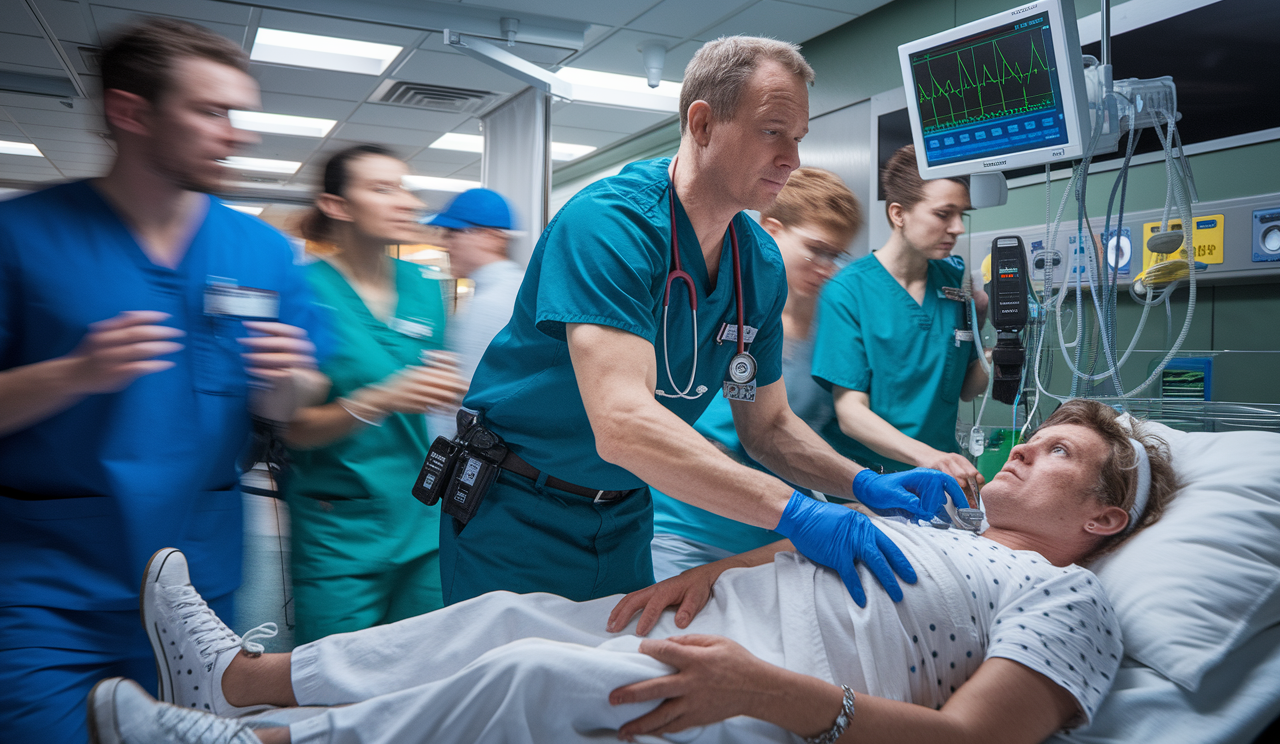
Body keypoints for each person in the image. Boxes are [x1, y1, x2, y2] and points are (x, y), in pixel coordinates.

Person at [86, 398, 1179, 744]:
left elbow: (970, 739)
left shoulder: (1067, 596)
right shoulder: (947, 525)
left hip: (769, 686)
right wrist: (740, 561)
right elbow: (822, 549)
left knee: (530, 670)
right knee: (507, 610)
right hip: (724, 622)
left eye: (1058, 451)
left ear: (1100, 515)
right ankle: (237, 682)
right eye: (1030, 432)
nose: (1021, 444)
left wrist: (760, 689)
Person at [435, 35, 967, 608]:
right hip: (517, 511)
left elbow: (766, 428)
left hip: (623, 516)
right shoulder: (610, 226)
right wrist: (798, 512)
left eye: (798, 138)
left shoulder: (758, 265)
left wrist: (861, 483)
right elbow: (622, 423)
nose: (791, 157)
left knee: (615, 687)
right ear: (704, 123)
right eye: (772, 131)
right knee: (515, 689)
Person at [0, 17, 326, 743]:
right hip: (48, 594)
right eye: (210, 111)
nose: (236, 133)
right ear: (131, 112)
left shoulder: (264, 254)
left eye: (237, 113)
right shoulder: (21, 238)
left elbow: (297, 407)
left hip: (198, 596)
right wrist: (74, 373)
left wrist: (284, 384)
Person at [280, 145, 468, 643]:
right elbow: (295, 430)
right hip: (339, 525)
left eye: (405, 187)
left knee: (418, 677)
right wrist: (381, 398)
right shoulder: (303, 291)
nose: (405, 201)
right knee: (331, 686)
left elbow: (432, 384)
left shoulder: (425, 286)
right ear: (337, 205)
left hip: (419, 518)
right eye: (382, 189)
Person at [651, 167, 863, 580]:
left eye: (836, 256)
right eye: (815, 250)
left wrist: (857, 487)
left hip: (773, 541)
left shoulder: (833, 328)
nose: (826, 267)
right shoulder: (715, 308)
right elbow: (667, 423)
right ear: (771, 228)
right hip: (685, 527)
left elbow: (807, 430)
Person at [812, 144, 990, 498]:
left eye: (962, 216)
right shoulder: (848, 291)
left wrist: (1006, 343)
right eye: (944, 214)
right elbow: (851, 414)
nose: (957, 228)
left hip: (940, 484)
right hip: (868, 486)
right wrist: (933, 459)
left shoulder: (955, 283)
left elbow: (967, 390)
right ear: (899, 213)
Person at [422, 187, 525, 438]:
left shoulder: (490, 304)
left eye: (453, 234)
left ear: (491, 236)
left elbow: (461, 406)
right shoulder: (518, 288)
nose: (444, 245)